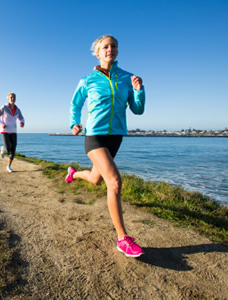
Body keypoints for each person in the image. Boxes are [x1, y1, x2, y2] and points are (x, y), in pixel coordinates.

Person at [66, 35, 146, 257]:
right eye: (106, 47)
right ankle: (122, 238)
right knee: (114, 181)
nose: (110, 49)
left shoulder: (128, 78)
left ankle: (73, 173)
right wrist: (74, 122)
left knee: (95, 179)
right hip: (95, 137)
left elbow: (137, 110)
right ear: (98, 52)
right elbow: (75, 104)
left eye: (114, 46)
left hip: (116, 136)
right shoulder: (87, 80)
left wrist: (139, 91)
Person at [0, 93, 25, 172]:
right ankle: (3, 148)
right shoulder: (4, 107)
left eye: (14, 97)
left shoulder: (17, 109)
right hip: (5, 130)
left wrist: (22, 123)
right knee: (8, 149)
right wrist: (2, 124)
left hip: (13, 130)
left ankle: (8, 166)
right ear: (8, 98)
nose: (12, 98)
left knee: (13, 149)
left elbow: (21, 118)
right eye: (11, 97)